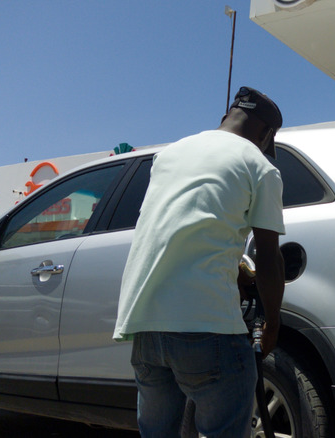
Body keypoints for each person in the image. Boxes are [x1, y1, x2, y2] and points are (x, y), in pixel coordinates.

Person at [113, 86, 286, 438]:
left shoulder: (168, 155)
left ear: (226, 116)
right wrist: (272, 322)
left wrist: (231, 267)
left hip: (145, 327)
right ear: (266, 135)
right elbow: (268, 254)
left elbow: (182, 226)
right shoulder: (259, 166)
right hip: (207, 329)